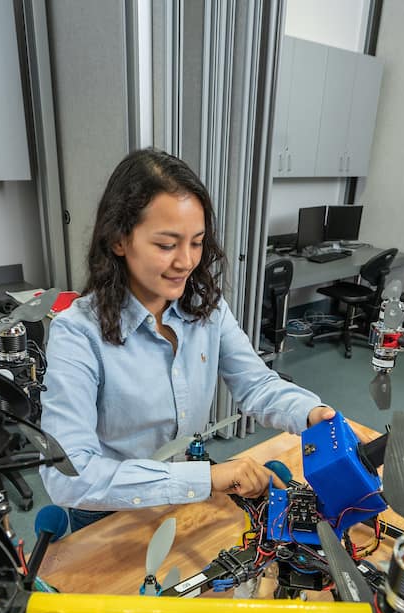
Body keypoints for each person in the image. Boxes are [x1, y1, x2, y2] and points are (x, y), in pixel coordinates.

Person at [40, 148, 335, 532]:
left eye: (196, 242)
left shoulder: (205, 308)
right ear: (118, 240)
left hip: (189, 496)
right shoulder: (78, 333)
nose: (186, 261)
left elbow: (257, 385)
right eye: (166, 245)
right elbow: (69, 476)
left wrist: (313, 414)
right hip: (111, 518)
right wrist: (204, 480)